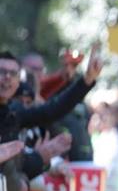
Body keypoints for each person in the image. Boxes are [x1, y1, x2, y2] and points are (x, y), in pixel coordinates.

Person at [0, 47, 102, 182]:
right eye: (2, 72)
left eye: (13, 73)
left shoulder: (14, 112)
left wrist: (87, 80)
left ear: (18, 81)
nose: (7, 77)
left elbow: (51, 110)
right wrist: (41, 156)